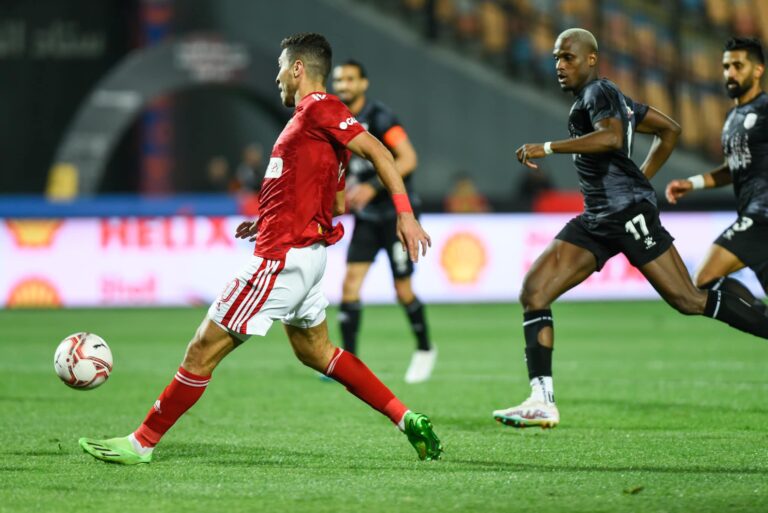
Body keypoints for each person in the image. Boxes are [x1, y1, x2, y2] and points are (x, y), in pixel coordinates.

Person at [78, 33, 442, 463]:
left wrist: (404, 213)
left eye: (280, 69)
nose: (276, 79)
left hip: (282, 258)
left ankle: (141, 443)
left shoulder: (321, 108)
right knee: (317, 351)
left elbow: (381, 151)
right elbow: (337, 202)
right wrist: (273, 215)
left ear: (298, 69)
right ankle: (407, 418)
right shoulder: (313, 124)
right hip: (304, 254)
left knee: (202, 347)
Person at [492, 28, 768, 429]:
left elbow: (610, 137)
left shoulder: (598, 92)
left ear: (591, 59)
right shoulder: (613, 97)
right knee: (534, 291)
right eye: (556, 58)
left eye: (568, 57)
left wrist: (548, 147)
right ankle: (541, 400)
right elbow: (670, 128)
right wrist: (642, 176)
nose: (559, 66)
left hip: (626, 214)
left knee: (689, 299)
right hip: (598, 217)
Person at [331, 60, 437, 384]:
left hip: (395, 216)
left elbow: (408, 158)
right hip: (366, 217)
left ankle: (424, 349)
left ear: (364, 84)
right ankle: (347, 364)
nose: (344, 85)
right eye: (339, 80)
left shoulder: (381, 117)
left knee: (402, 289)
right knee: (350, 285)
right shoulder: (335, 120)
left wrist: (372, 186)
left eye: (350, 79)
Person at [665, 37, 768, 312]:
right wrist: (693, 183)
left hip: (762, 216)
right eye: (726, 66)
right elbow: (733, 168)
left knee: (703, 277)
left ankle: (759, 319)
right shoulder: (732, 118)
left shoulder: (765, 109)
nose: (730, 73)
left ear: (758, 70)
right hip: (751, 214)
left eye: (738, 65)